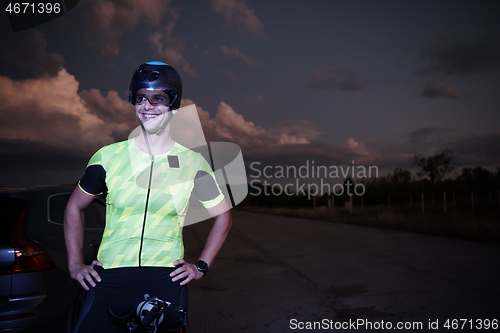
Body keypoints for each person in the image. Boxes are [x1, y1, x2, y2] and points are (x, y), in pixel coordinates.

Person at [64, 61, 232, 332]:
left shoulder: (193, 162)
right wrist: (74, 264)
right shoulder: (107, 157)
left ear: (173, 104)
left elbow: (223, 217)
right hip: (108, 276)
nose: (147, 105)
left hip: (164, 279)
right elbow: (74, 207)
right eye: (141, 97)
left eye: (158, 99)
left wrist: (200, 267)